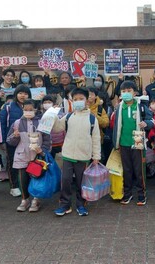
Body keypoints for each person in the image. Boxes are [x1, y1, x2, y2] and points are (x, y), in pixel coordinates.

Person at [51, 88, 101, 216]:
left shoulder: (92, 119)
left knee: (81, 183)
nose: (78, 102)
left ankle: (81, 204)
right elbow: (57, 128)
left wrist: (96, 156)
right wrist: (53, 115)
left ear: (87, 101)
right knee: (66, 180)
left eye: (81, 99)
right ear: (71, 101)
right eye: (75, 100)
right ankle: (64, 205)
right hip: (67, 155)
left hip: (84, 156)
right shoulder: (68, 117)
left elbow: (96, 139)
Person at [112, 80, 153, 206]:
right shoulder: (119, 108)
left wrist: (146, 124)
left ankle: (141, 195)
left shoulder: (140, 106)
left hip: (138, 139)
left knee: (139, 170)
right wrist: (116, 143)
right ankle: (128, 194)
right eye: (123, 91)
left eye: (129, 91)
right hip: (123, 142)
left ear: (135, 93)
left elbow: (151, 120)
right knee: (127, 170)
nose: (126, 93)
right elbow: (115, 126)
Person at [6, 99, 51, 212]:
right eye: (25, 110)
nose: (28, 112)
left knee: (37, 177)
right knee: (22, 178)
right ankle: (24, 199)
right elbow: (10, 141)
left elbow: (47, 139)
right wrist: (15, 136)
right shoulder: (17, 123)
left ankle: (36, 199)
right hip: (22, 154)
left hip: (37, 154)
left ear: (36, 109)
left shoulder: (42, 122)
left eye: (31, 110)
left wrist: (43, 151)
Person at [0, 84, 31, 197]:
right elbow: (2, 124)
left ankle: (27, 184)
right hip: (12, 140)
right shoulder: (8, 106)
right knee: (12, 162)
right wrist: (3, 141)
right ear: (16, 94)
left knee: (28, 162)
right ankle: (14, 186)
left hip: (27, 140)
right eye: (20, 93)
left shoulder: (32, 106)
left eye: (26, 93)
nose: (23, 96)